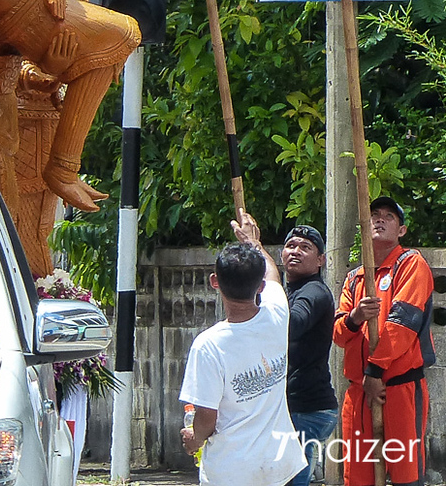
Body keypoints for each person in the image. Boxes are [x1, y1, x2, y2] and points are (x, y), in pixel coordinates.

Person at [180, 210, 305, 486]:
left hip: (231, 470)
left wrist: (194, 440)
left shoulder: (209, 345)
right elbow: (273, 273)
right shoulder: (277, 314)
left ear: (215, 282)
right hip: (277, 465)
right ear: (259, 286)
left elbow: (206, 419)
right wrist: (253, 242)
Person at [332, 195, 436, 486]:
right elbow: (339, 334)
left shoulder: (410, 264)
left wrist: (375, 371)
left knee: (406, 475)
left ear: (401, 230)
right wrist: (355, 317)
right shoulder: (354, 278)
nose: (379, 218)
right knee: (357, 477)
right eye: (374, 214)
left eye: (389, 216)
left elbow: (402, 323)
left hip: (399, 388)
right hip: (359, 392)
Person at [282, 224, 338, 486]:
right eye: (291, 246)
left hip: (307, 408)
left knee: (292, 479)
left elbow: (293, 323)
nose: (296, 251)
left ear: (320, 260)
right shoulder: (289, 291)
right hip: (294, 408)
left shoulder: (314, 292)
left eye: (305, 248)